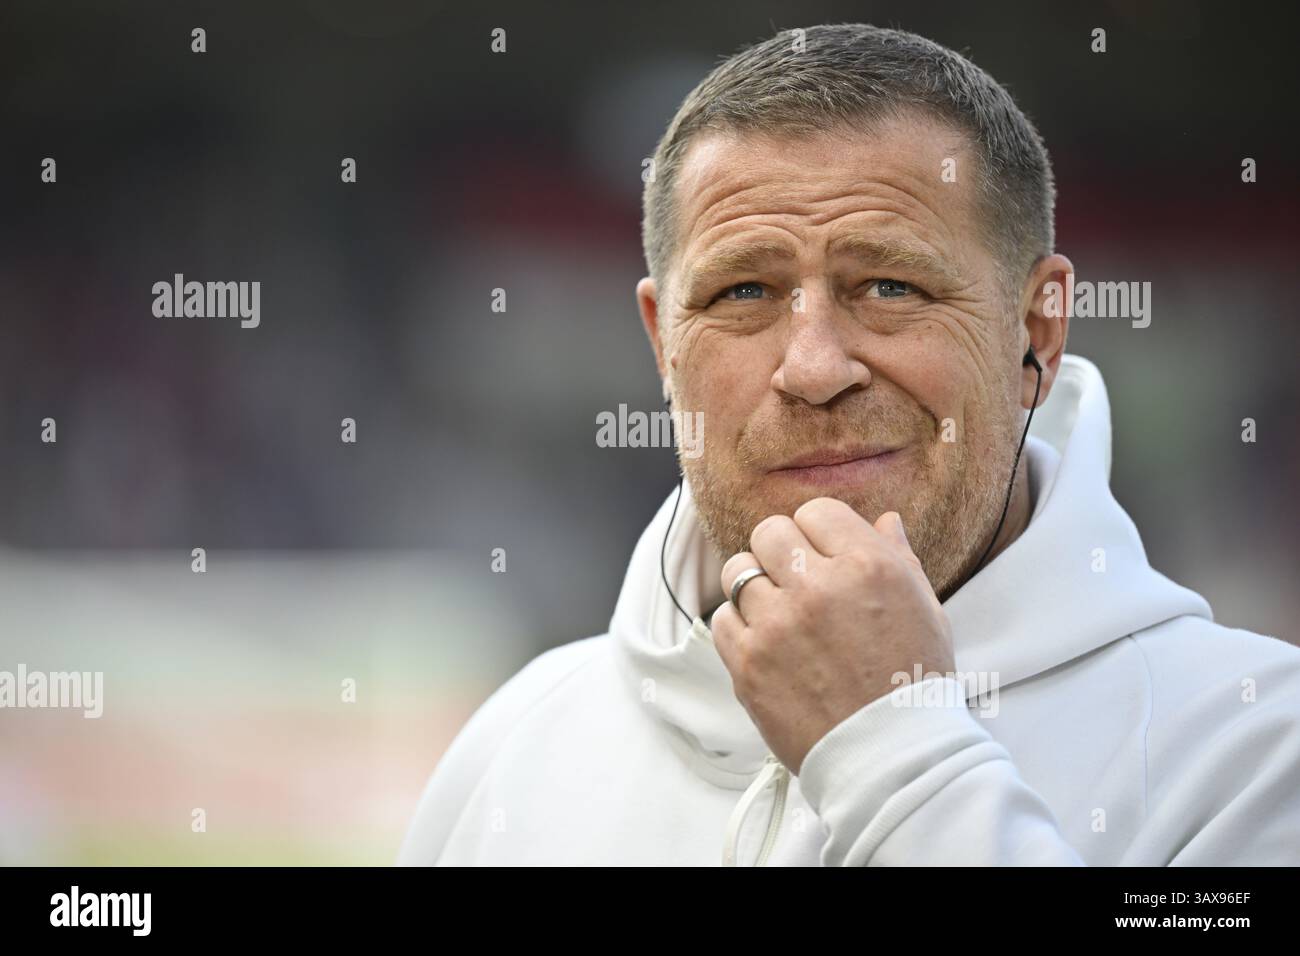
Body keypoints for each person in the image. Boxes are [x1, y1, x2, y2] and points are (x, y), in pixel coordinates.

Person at [397, 23, 1300, 866]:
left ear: (1037, 331)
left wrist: (895, 750)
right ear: (662, 346)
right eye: (744, 293)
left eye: (891, 286)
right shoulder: (514, 748)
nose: (815, 368)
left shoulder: (1254, 751)